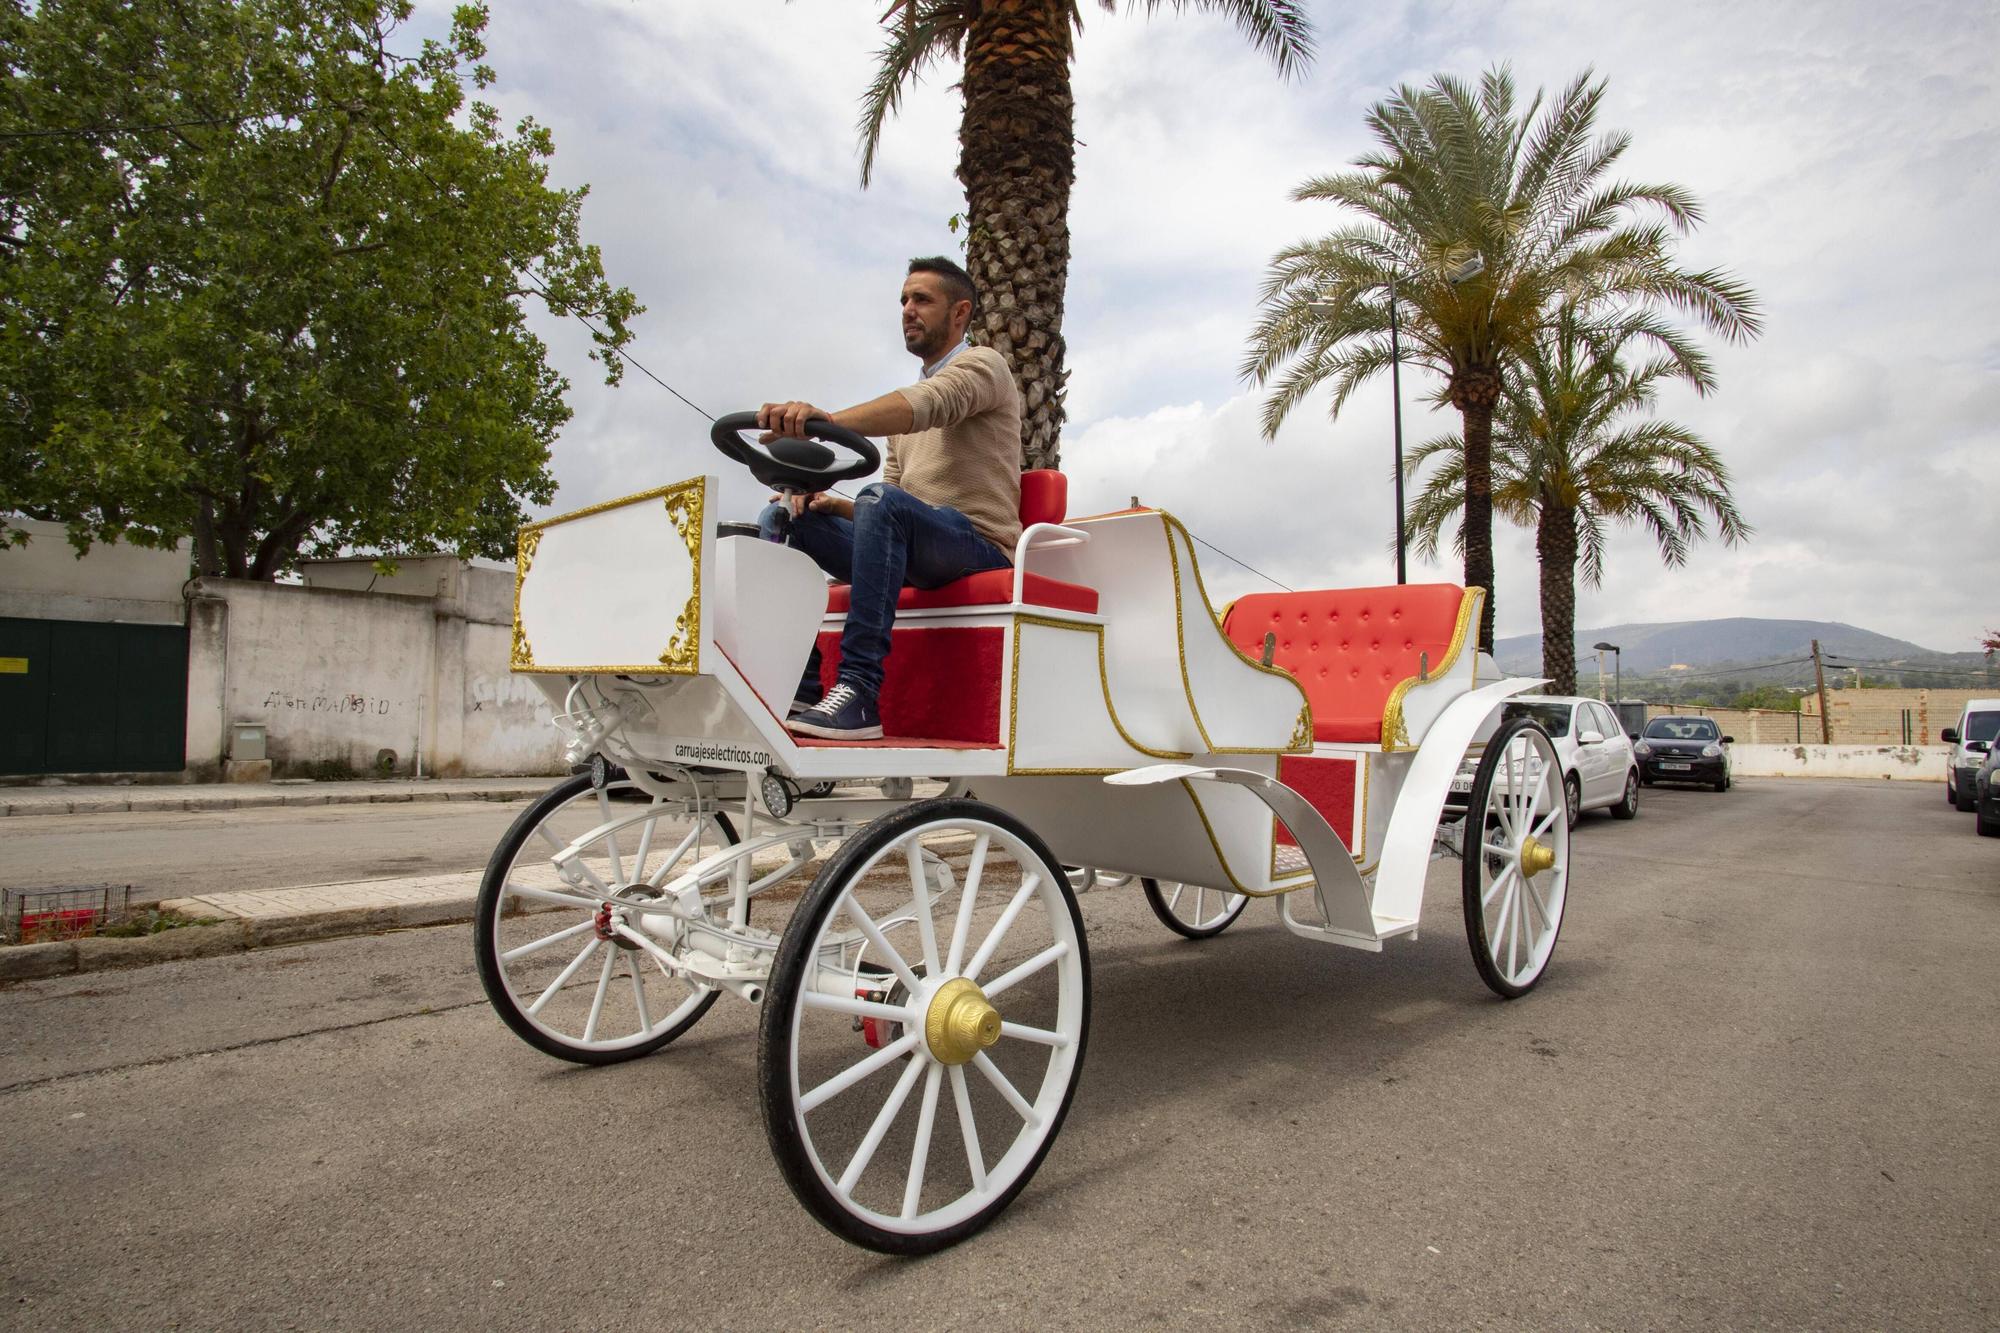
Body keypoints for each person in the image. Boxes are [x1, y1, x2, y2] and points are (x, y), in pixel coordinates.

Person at [756, 255, 1022, 741]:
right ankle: (805, 682)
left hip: (978, 548)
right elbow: (896, 497)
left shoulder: (983, 367)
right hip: (917, 543)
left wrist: (826, 421)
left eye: (922, 299)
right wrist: (825, 502)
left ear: (960, 313)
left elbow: (931, 405)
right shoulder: (903, 420)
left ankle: (858, 692)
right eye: (903, 299)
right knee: (783, 515)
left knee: (880, 500)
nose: (907, 309)